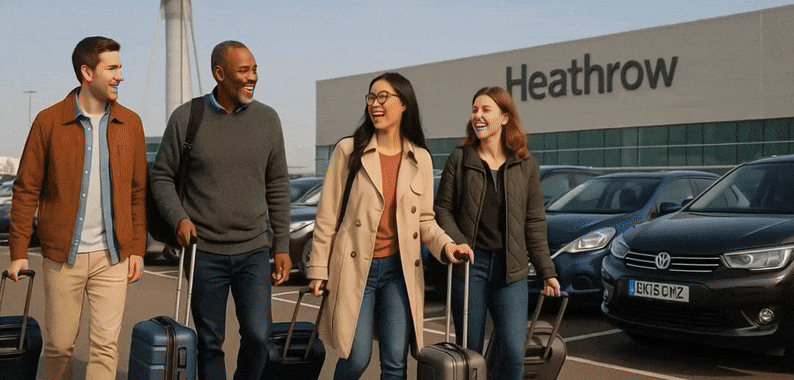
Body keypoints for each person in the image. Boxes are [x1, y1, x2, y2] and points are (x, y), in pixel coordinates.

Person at [307, 72, 472, 380]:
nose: (375, 104)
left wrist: (447, 245)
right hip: (357, 268)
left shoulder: (419, 157)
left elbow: (425, 220)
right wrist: (318, 268)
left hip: (400, 272)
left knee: (396, 365)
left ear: (404, 104)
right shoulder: (348, 151)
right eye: (371, 97)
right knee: (356, 358)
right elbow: (327, 217)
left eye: (384, 97)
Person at [6, 36, 147, 380]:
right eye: (112, 68)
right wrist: (18, 251)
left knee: (104, 349)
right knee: (59, 347)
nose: (120, 76)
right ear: (87, 72)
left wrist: (137, 248)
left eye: (120, 67)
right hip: (61, 255)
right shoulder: (48, 121)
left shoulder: (131, 124)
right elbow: (26, 190)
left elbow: (138, 192)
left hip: (112, 257)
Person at [150, 40, 291, 380]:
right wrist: (179, 217)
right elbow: (161, 176)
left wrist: (282, 246)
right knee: (210, 343)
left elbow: (278, 185)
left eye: (254, 69)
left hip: (254, 250)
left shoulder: (268, 120)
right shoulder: (187, 117)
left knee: (259, 336)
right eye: (244, 70)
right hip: (204, 253)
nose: (252, 77)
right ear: (219, 74)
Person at [434, 86, 561, 380]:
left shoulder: (525, 164)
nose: (478, 116)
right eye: (475, 110)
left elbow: (534, 222)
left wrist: (547, 271)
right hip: (470, 269)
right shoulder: (460, 158)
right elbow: (442, 210)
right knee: (470, 355)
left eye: (486, 110)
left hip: (511, 272)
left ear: (505, 117)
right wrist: (460, 243)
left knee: (514, 355)